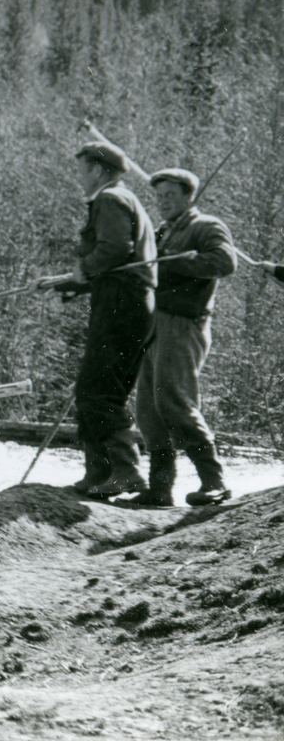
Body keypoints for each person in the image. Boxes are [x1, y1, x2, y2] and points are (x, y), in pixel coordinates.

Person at [53, 142, 157, 498]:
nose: (80, 178)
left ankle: (125, 472)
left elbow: (113, 251)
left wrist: (83, 269)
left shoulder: (111, 200)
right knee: (95, 389)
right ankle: (99, 473)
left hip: (120, 304)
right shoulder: (122, 199)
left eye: (82, 169)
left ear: (97, 170)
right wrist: (69, 282)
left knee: (97, 391)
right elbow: (116, 263)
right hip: (124, 301)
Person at [129, 169, 237, 507]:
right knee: (148, 407)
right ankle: (160, 489)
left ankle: (214, 482)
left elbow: (225, 261)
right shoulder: (163, 232)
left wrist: (179, 263)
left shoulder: (206, 226)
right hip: (153, 324)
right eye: (159, 196)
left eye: (170, 195)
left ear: (188, 196)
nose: (163, 202)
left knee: (175, 401)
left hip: (183, 325)